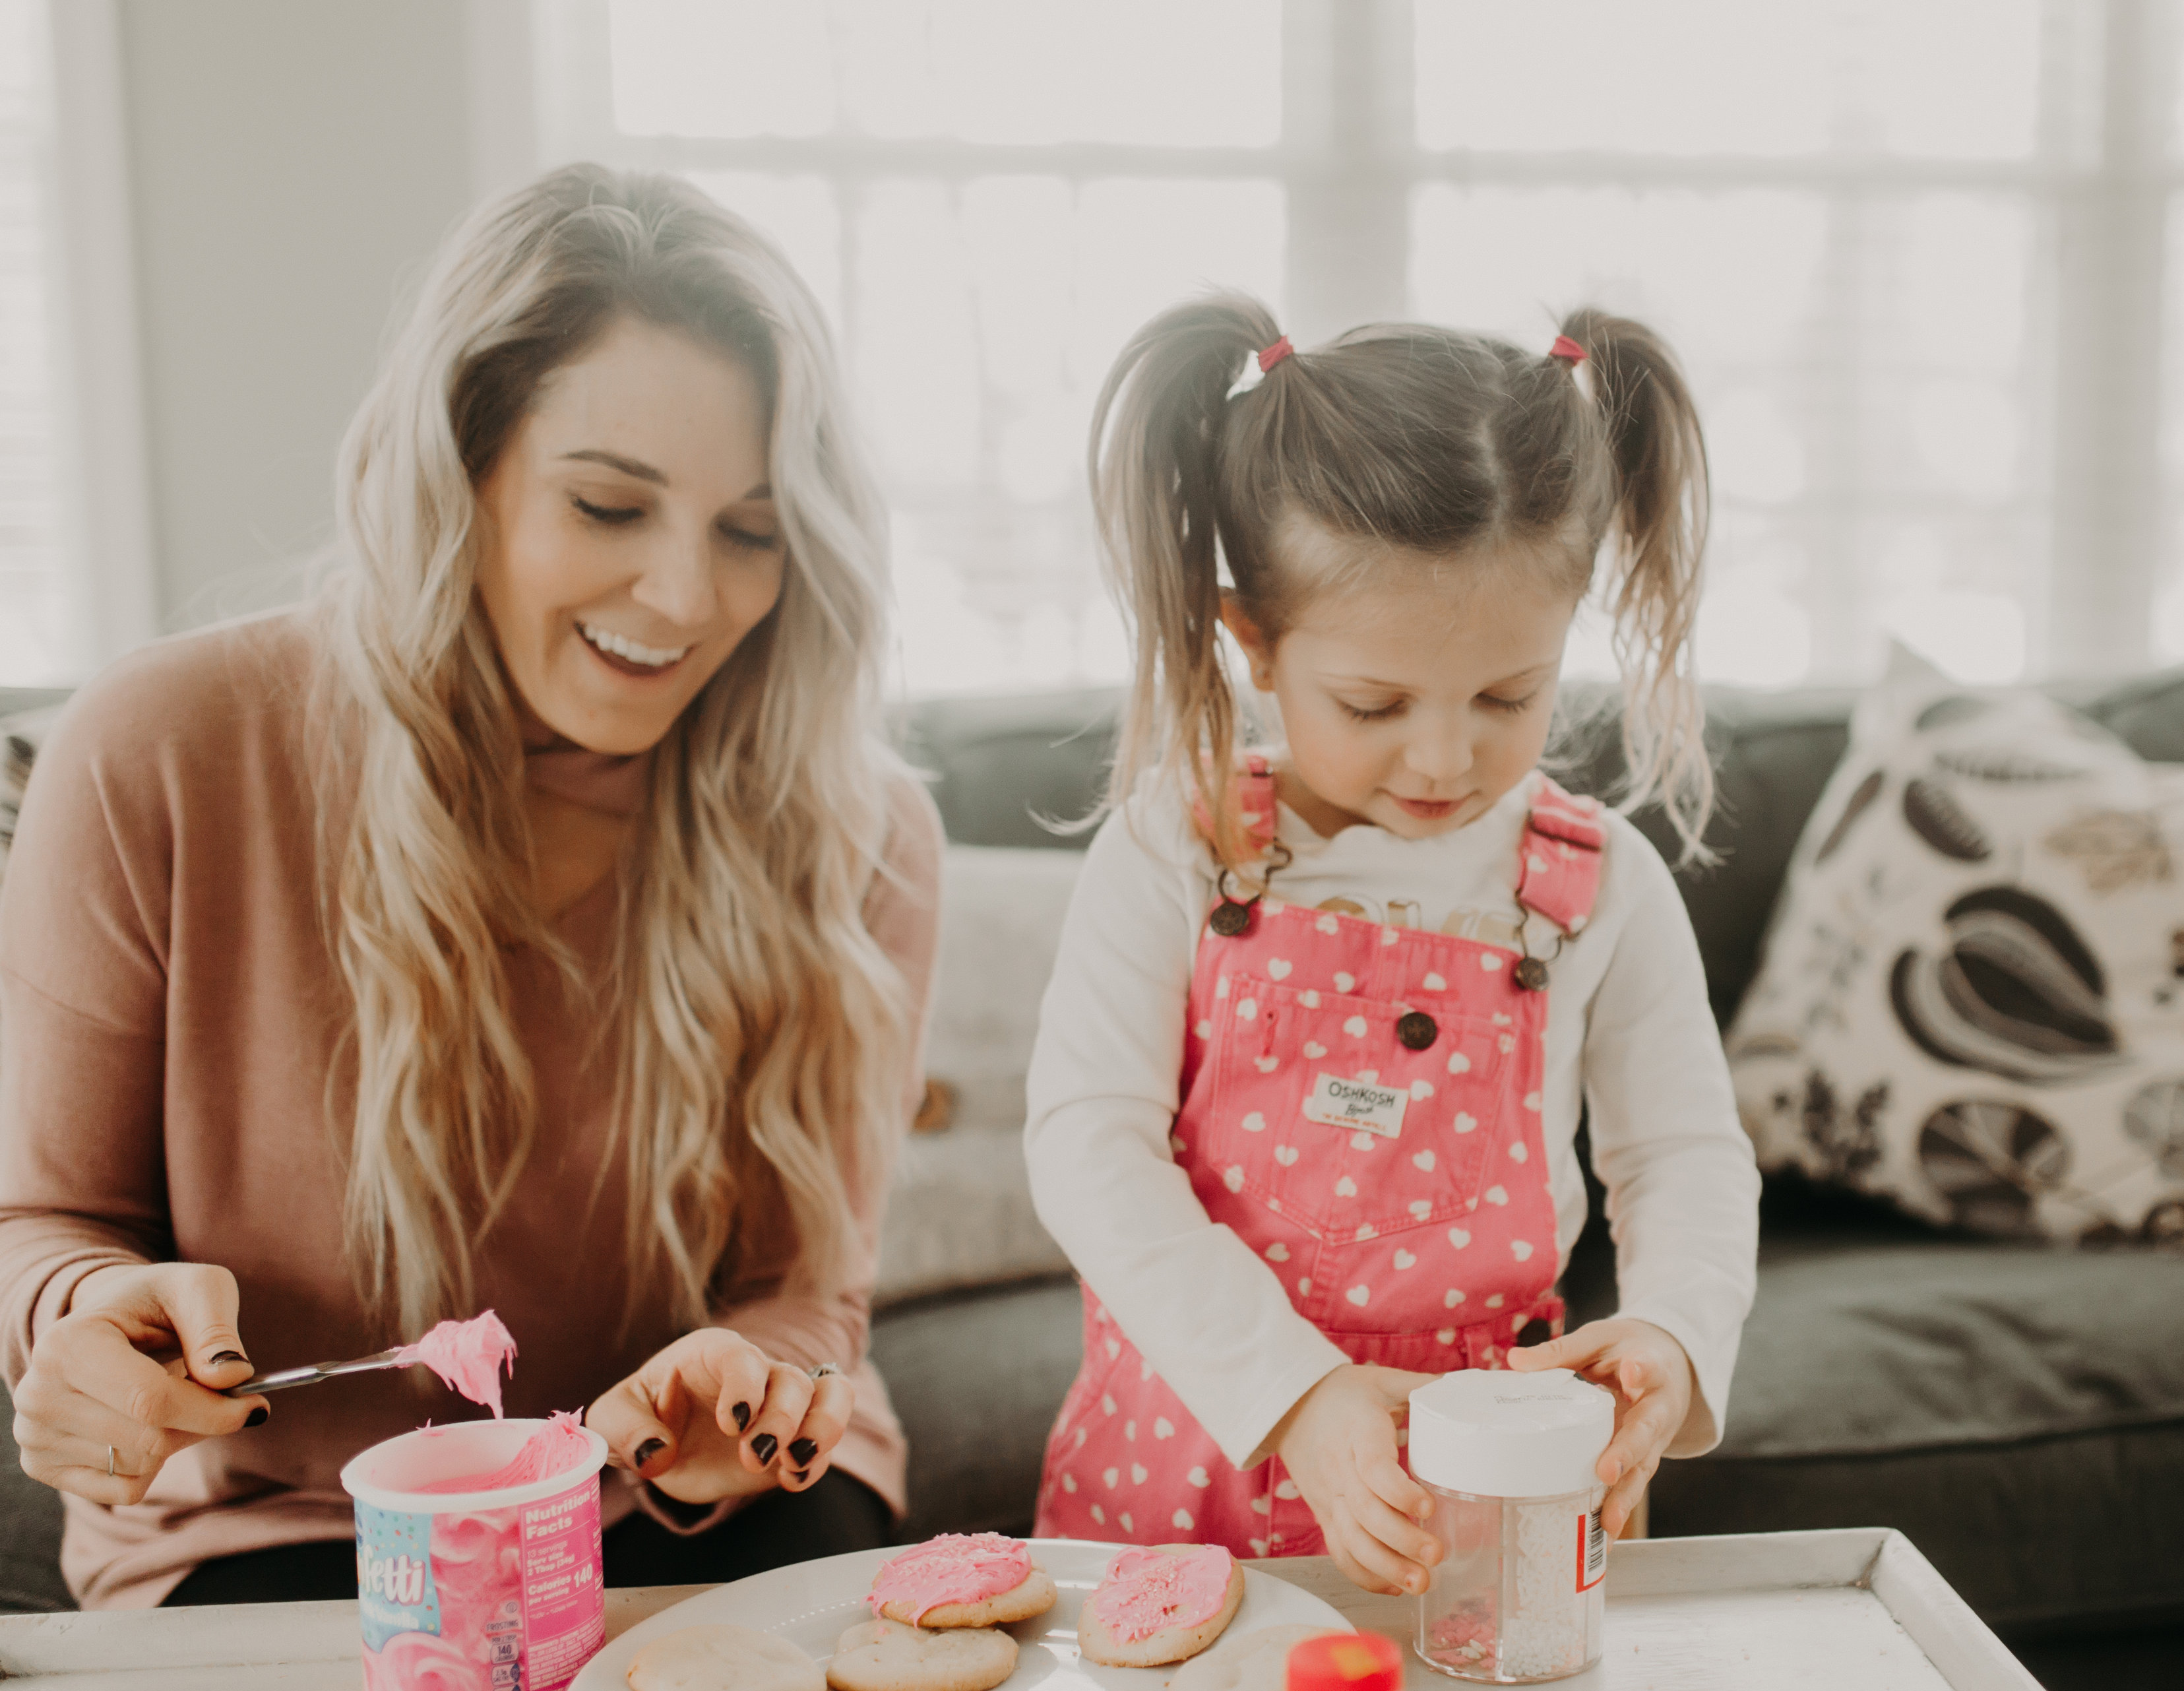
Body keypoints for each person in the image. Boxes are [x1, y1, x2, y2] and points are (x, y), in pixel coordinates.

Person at [0, 165, 942, 1608]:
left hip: (690, 1517)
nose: (687, 600)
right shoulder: (157, 755)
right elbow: (46, 1225)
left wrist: (756, 1400)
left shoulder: (856, 831)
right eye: (611, 506)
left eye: (750, 533)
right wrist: (77, 1321)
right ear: (460, 467)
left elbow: (808, 1297)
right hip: (280, 1528)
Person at [1025, 297, 1759, 1593]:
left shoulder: (1600, 888)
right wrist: (1295, 1398)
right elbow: (1088, 1146)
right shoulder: (1174, 848)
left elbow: (1683, 1155)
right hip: (1182, 1470)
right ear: (1249, 635)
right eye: (1370, 703)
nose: (1439, 756)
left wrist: (1670, 1334)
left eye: (1504, 697)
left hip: (1489, 1489)